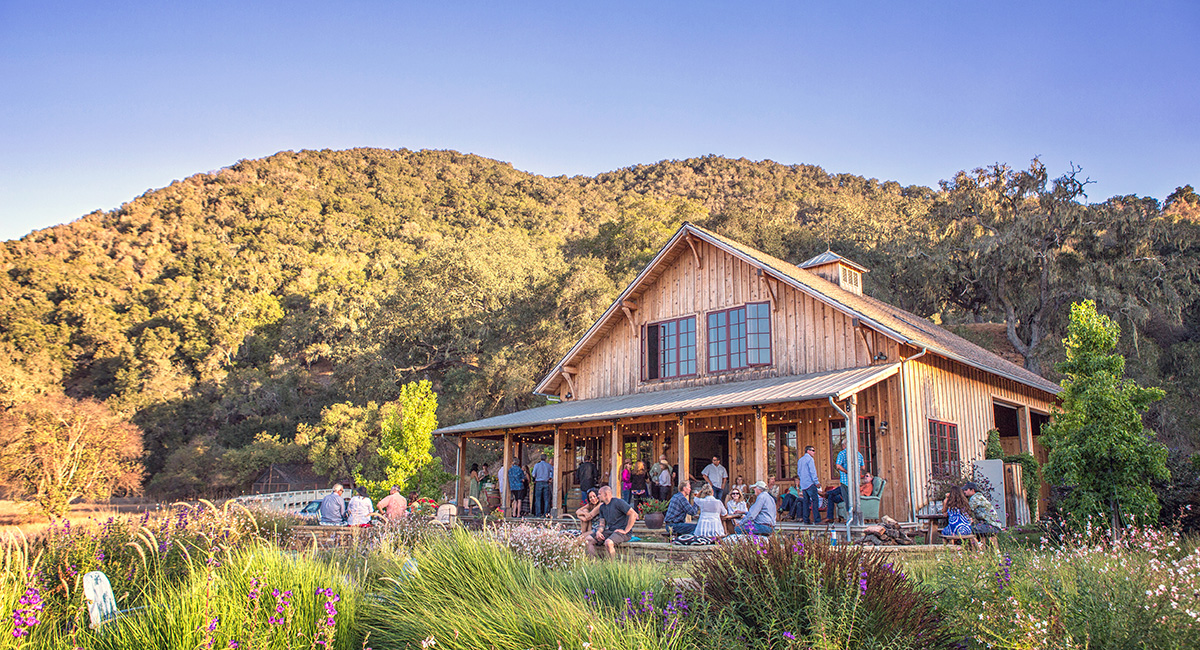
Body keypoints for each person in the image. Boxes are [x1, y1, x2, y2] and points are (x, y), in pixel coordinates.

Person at [584, 485, 637, 559]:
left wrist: (626, 530)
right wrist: (599, 532)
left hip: (622, 532)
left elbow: (633, 514)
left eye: (599, 494)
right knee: (588, 540)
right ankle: (595, 563)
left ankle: (612, 565)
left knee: (608, 543)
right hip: (611, 531)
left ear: (606, 494)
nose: (598, 496)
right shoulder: (602, 507)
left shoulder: (618, 502)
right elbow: (602, 524)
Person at [835, 441, 864, 518]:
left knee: (847, 500)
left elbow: (838, 466)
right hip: (856, 481)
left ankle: (849, 517)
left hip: (845, 481)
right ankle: (856, 516)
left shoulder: (842, 453)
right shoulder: (859, 454)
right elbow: (863, 467)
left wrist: (846, 471)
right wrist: (856, 471)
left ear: (844, 445)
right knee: (855, 500)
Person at [796, 445, 820, 524]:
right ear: (808, 451)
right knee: (815, 501)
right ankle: (817, 520)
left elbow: (798, 473)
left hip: (803, 484)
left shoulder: (800, 460)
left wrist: (802, 480)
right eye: (813, 450)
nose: (814, 452)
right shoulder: (810, 459)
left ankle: (806, 520)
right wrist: (816, 482)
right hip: (810, 483)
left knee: (806, 502)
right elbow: (812, 471)